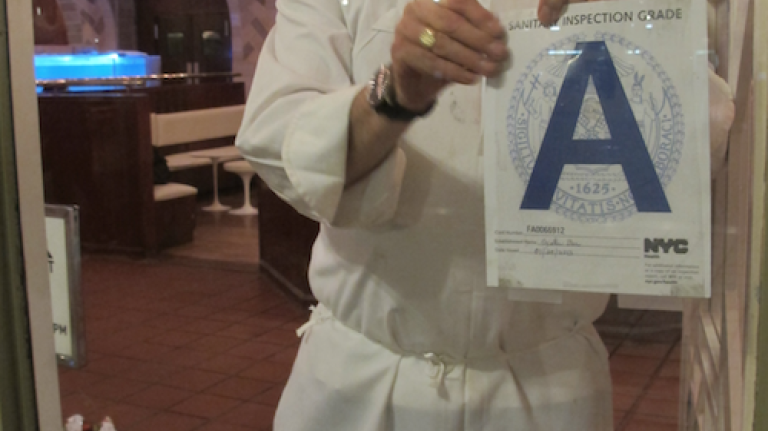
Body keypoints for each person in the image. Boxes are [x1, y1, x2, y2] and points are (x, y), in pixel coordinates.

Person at [235, 0, 734, 429]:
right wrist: (397, 91)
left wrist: (629, 25)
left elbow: (705, 140)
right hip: (356, 381)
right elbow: (282, 139)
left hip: (547, 388)